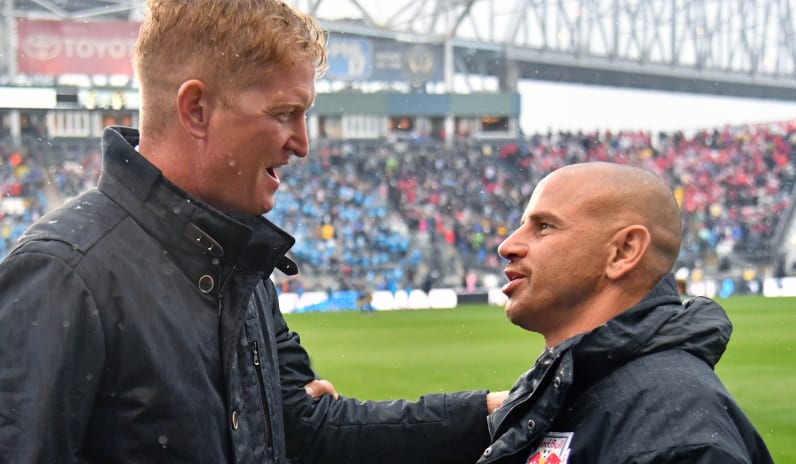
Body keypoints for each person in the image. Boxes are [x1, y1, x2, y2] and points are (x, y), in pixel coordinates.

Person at [0, 1, 505, 462]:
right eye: (284, 114)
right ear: (196, 109)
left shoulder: (232, 261)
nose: (303, 144)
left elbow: (308, 429)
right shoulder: (63, 272)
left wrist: (492, 412)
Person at [478, 162, 773, 463]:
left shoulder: (672, 435)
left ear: (624, 251)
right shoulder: (581, 387)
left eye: (544, 226)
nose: (507, 245)